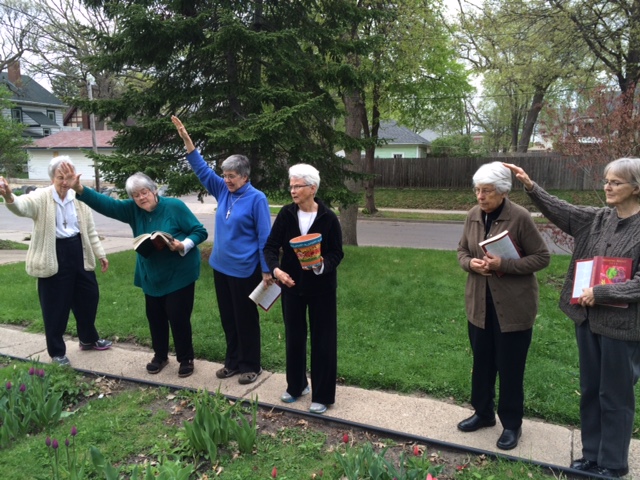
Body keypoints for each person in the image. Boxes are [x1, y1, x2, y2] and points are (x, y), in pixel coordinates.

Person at [504, 159, 640, 478]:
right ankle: (591, 455)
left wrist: (604, 292)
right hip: (587, 320)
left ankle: (613, 463)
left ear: (636, 187)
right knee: (591, 389)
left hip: (621, 328)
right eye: (606, 180)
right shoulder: (596, 219)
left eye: (616, 182)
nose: (607, 186)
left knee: (615, 395)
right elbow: (561, 211)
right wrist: (531, 187)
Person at [61, 165, 208, 378]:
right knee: (155, 316)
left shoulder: (174, 206)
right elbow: (107, 205)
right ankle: (160, 356)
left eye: (144, 192)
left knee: (178, 316)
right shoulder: (133, 210)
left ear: (154, 191)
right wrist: (80, 189)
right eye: (136, 195)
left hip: (179, 274)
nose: (141, 198)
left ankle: (185, 359)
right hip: (151, 275)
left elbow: (199, 231)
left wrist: (183, 245)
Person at [171, 115, 272, 384]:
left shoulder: (257, 198)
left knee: (245, 319)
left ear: (245, 176)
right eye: (225, 175)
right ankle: (233, 362)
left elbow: (265, 237)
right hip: (221, 267)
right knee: (228, 318)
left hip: (245, 270)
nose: (226, 180)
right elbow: (201, 169)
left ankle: (251, 364)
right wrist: (186, 140)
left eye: (232, 176)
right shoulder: (223, 190)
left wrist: (266, 269)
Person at [456, 161, 550, 450]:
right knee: (482, 363)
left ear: (503, 192)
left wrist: (504, 265)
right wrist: (471, 263)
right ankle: (483, 413)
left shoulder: (519, 217)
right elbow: (461, 251)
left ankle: (512, 425)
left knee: (510, 368)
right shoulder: (473, 215)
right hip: (479, 307)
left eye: (486, 191)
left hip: (513, 308)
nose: (480, 197)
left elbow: (542, 257)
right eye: (477, 191)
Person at [0, 158, 112, 366]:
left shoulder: (80, 197)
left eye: (68, 177)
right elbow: (22, 207)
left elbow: (90, 230)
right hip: (53, 254)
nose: (64, 182)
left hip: (78, 251)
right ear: (52, 178)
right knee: (55, 307)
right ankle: (57, 352)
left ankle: (88, 338)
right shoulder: (41, 197)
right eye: (60, 178)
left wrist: (100, 253)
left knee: (89, 297)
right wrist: (8, 195)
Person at [264, 164, 344, 414]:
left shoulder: (328, 218)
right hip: (291, 287)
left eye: (297, 186)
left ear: (313, 188)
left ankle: (322, 395)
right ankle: (297, 385)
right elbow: (270, 247)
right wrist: (276, 271)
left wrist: (321, 265)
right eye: (291, 185)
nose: (292, 190)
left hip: (322, 289)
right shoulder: (287, 215)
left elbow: (336, 253)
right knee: (294, 338)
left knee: (323, 340)